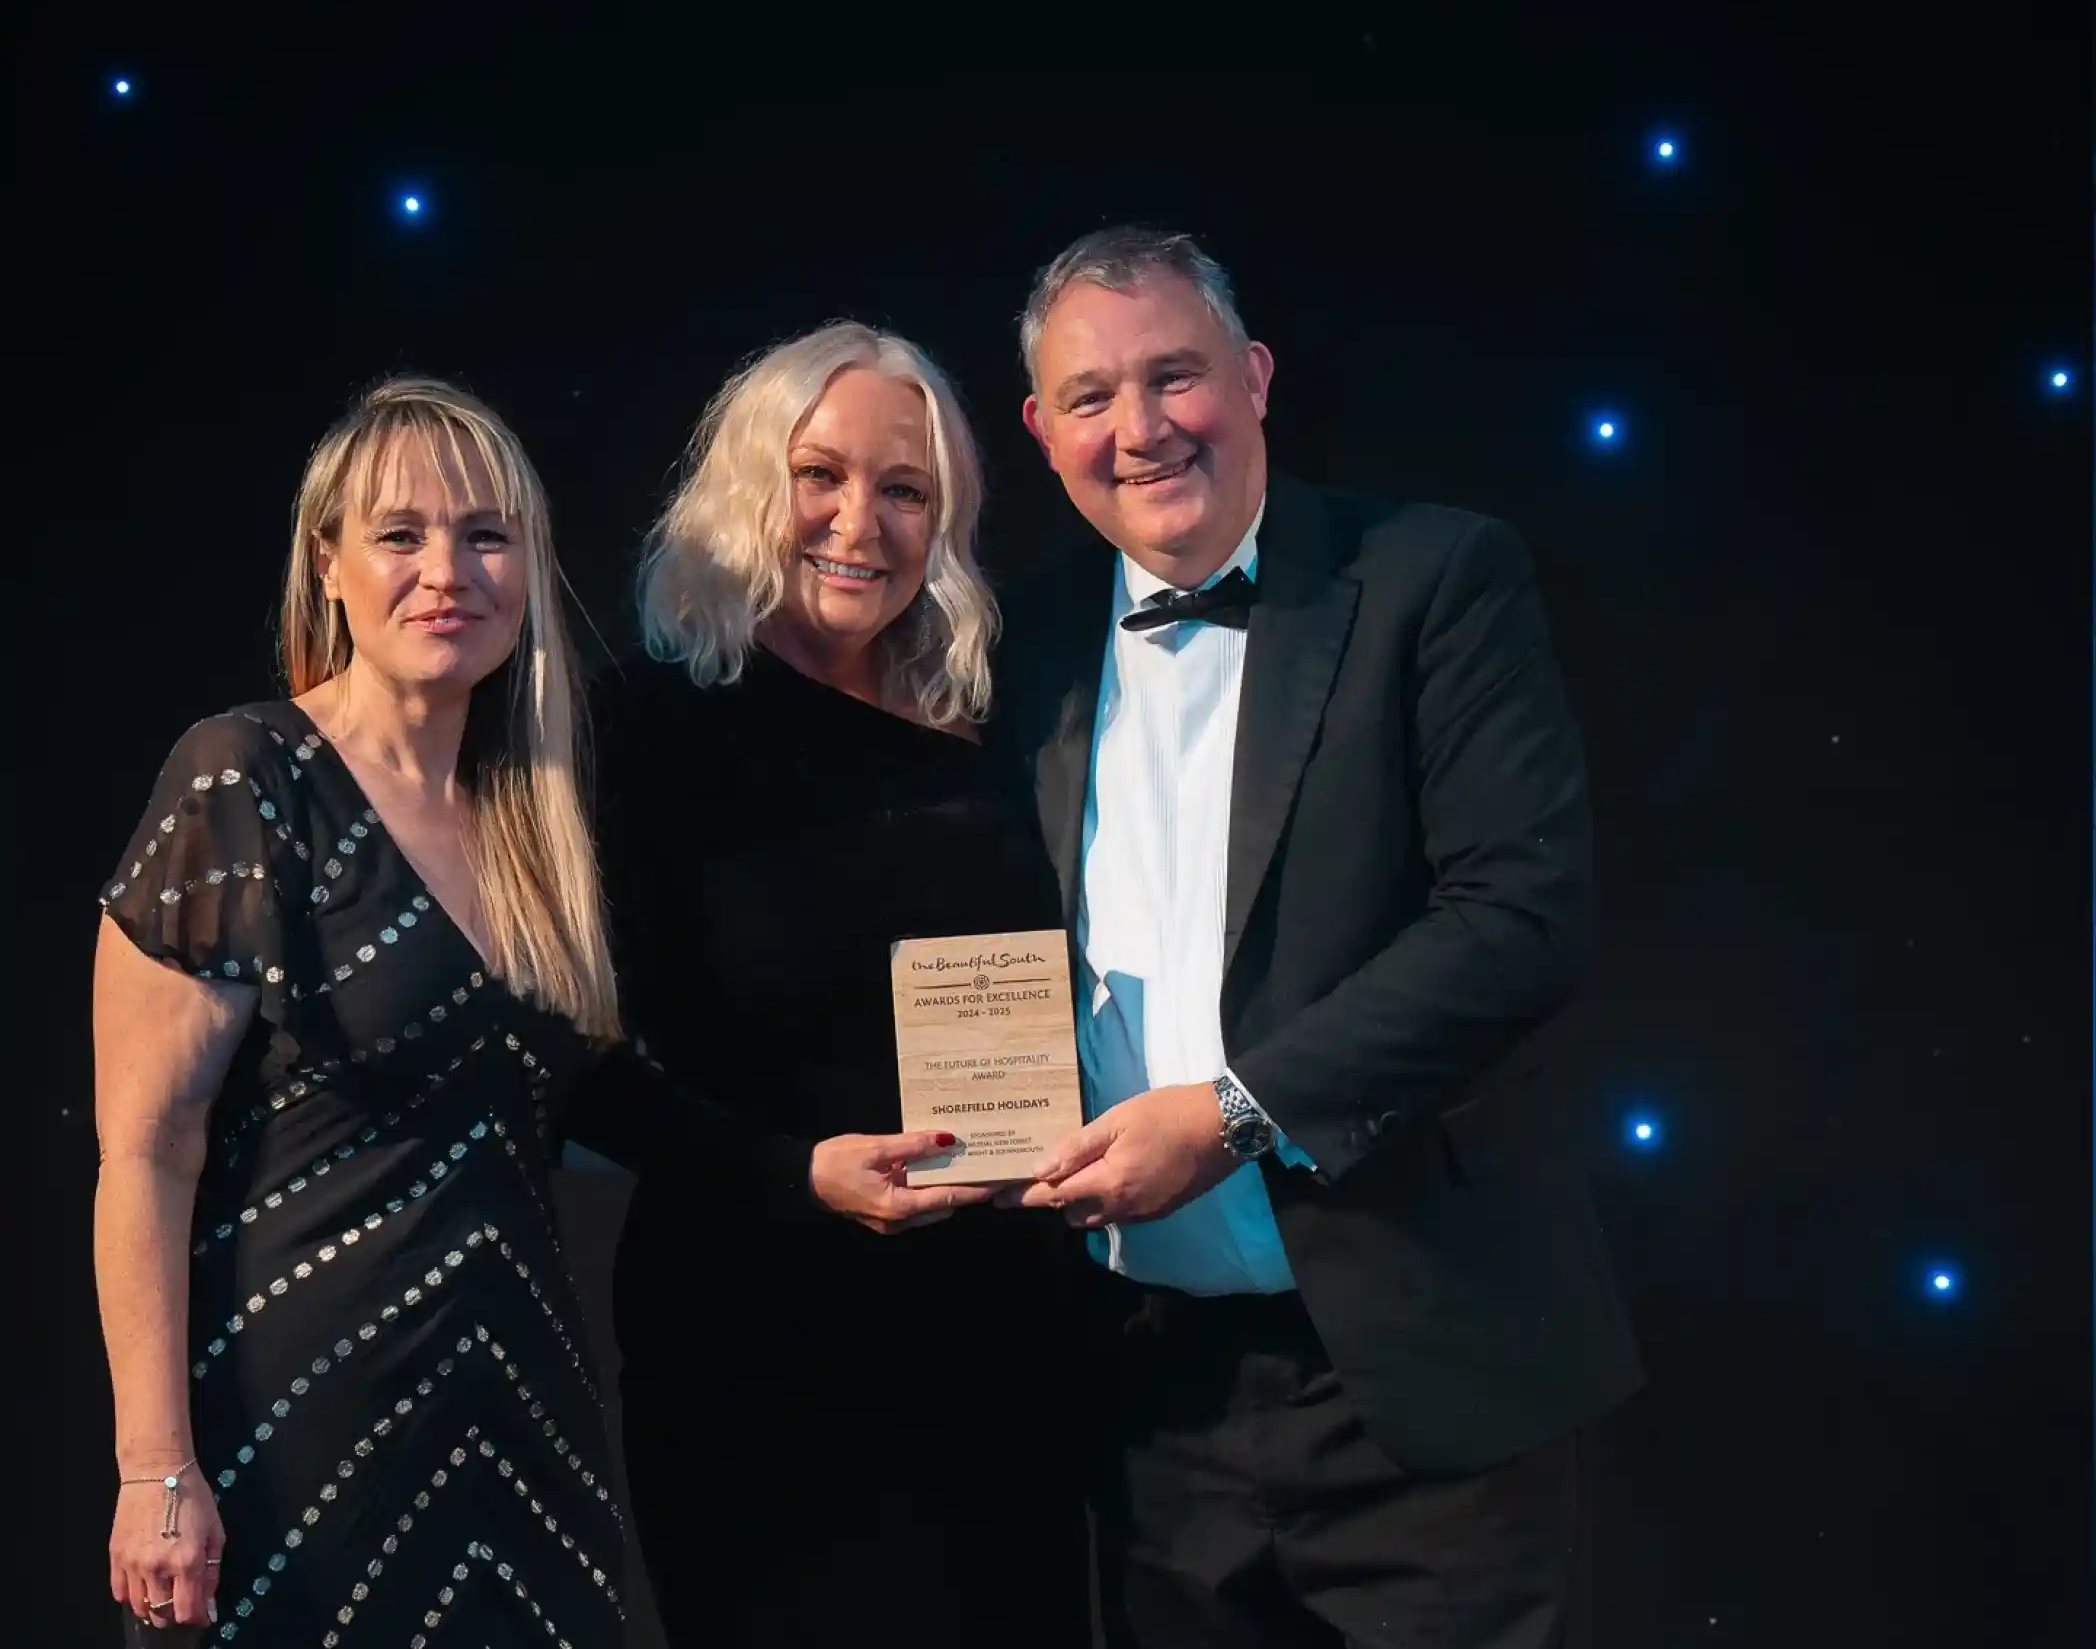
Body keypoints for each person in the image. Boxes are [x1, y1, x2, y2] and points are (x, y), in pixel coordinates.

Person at [989, 228, 1646, 1649]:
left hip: (1419, 1377)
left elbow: (1519, 922)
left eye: (1178, 376)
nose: (1143, 427)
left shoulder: (1433, 577)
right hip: (1145, 1399)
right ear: (1042, 434)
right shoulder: (1018, 650)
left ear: (1259, 377)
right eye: (1093, 397)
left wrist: (1232, 1117)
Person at [93, 376, 764, 1647]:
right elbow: (145, 1149)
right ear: (329, 563)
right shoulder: (247, 773)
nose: (444, 568)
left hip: (520, 1417)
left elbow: (601, 1092)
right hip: (295, 1432)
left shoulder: (535, 819)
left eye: (486, 534)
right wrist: (155, 1468)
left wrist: (805, 1166)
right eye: (400, 533)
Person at [594, 321, 1087, 1647]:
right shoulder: (638, 739)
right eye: (819, 474)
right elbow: (573, 1066)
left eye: (904, 488)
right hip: (757, 1356)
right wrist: (792, 1173)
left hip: (996, 1350)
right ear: (751, 483)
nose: (858, 521)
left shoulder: (997, 732)